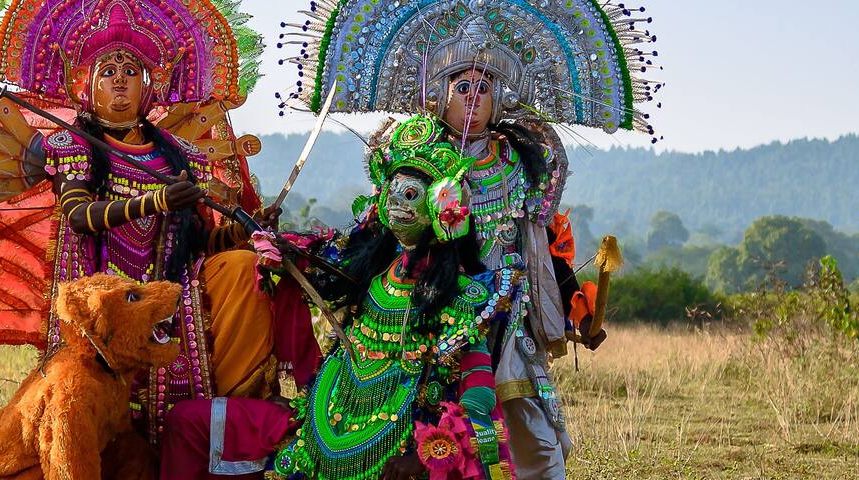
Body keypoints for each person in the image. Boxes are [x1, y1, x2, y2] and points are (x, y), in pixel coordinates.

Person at [0, 1, 317, 472]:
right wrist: (156, 202)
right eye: (108, 70)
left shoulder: (176, 155)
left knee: (243, 269)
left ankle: (237, 440)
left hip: (171, 297)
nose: (119, 79)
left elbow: (201, 242)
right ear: (87, 85)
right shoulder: (73, 143)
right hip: (102, 300)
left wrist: (247, 230)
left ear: (148, 86)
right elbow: (78, 216)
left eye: (130, 70)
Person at [280, 0, 662, 477]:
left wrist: (572, 309)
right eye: (464, 87)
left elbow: (538, 246)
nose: (475, 98)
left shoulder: (519, 162)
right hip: (427, 314)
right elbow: (378, 231)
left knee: (534, 440)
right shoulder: (415, 154)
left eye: (485, 87)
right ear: (439, 93)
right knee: (418, 439)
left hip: (502, 312)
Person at [274, 116, 500, 480]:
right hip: (338, 416)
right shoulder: (375, 269)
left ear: (440, 206)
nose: (396, 205)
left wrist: (429, 453)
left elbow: (477, 390)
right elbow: (321, 265)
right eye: (391, 193)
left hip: (411, 443)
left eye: (409, 195)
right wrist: (282, 245)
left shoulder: (459, 293)